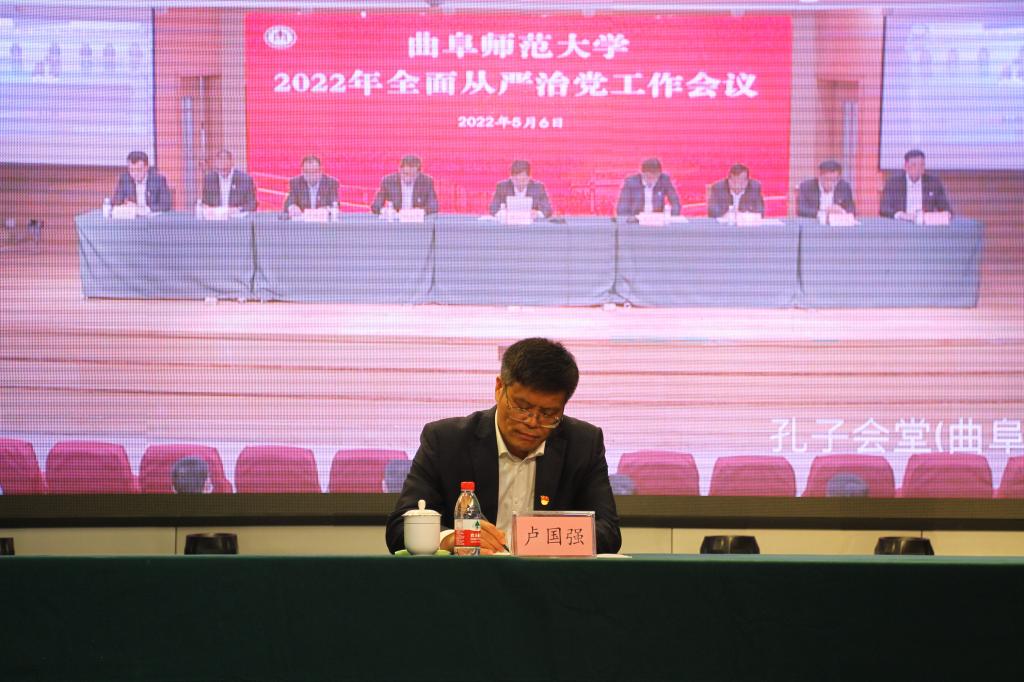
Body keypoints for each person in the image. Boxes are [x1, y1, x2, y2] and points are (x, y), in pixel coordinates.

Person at [385, 338, 621, 555]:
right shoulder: (446, 441)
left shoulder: (583, 444)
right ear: (499, 388)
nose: (532, 422)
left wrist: (543, 540)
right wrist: (452, 539)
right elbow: (399, 528)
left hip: (548, 581)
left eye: (548, 413)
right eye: (522, 407)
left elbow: (608, 532)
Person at [879, 149, 951, 220]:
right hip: (901, 223)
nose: (918, 168)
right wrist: (901, 215)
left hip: (925, 224)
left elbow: (946, 209)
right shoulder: (894, 183)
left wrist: (932, 216)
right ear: (905, 166)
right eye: (914, 165)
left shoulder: (933, 183)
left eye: (921, 165)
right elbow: (884, 209)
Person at [370, 155, 439, 215]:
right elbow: (376, 205)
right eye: (405, 173)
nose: (408, 177)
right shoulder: (389, 181)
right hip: (395, 220)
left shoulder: (426, 181)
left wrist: (420, 212)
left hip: (417, 221)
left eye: (412, 175)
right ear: (400, 170)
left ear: (418, 173)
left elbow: (434, 206)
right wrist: (385, 211)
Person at [615, 158, 681, 217]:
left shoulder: (664, 180)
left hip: (657, 220)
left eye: (655, 177)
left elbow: (675, 202)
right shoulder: (630, 182)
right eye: (648, 177)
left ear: (659, 174)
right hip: (636, 220)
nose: (651, 180)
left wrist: (673, 217)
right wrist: (629, 220)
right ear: (642, 173)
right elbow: (622, 207)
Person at [488, 160, 553, 218]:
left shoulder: (538, 188)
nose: (519, 183)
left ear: (529, 178)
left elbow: (548, 210)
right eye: (516, 180)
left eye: (523, 180)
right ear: (511, 177)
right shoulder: (502, 187)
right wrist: (504, 213)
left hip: (531, 224)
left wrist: (537, 213)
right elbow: (493, 209)